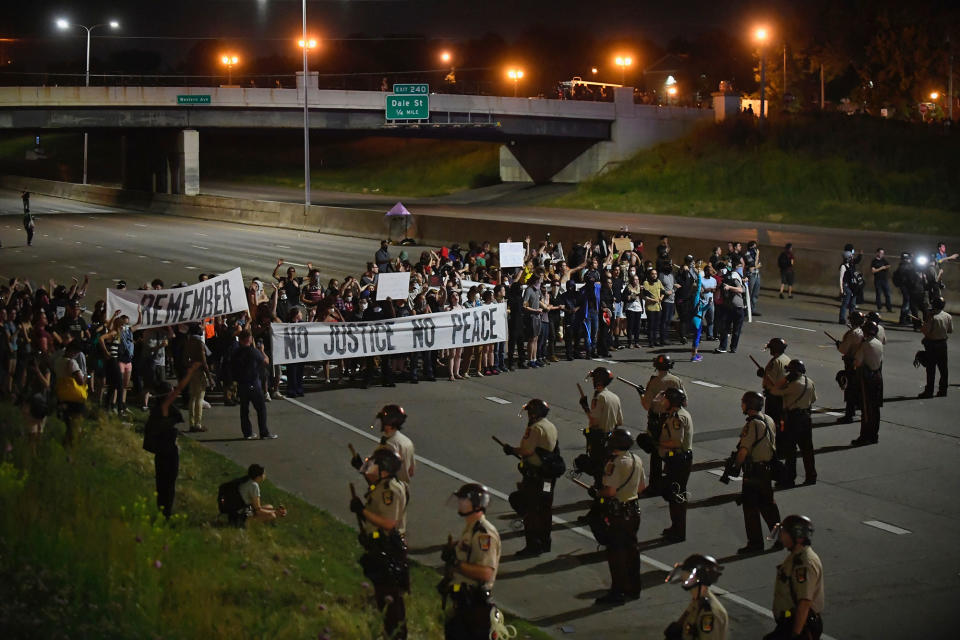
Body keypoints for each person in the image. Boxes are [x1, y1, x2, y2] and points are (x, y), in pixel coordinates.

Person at [350, 448, 409, 640]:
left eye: (375, 463)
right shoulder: (382, 485)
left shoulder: (389, 490)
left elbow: (389, 523)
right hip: (379, 547)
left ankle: (396, 636)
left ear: (384, 469)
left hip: (388, 549)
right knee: (382, 596)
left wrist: (362, 511)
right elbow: (370, 478)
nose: (371, 465)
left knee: (391, 599)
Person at [440, 483, 501, 640]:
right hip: (464, 603)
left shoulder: (483, 535)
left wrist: (456, 563)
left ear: (475, 504)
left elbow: (486, 573)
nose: (460, 503)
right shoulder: (471, 529)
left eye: (463, 500)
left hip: (474, 604)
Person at [592, 428, 645, 605]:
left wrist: (598, 492)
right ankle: (634, 587)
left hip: (619, 514)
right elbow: (641, 488)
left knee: (616, 554)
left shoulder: (615, 463)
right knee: (632, 551)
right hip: (633, 511)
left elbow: (610, 490)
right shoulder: (636, 459)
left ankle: (617, 592)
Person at [502, 398, 559, 556]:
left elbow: (527, 450)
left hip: (535, 476)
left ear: (534, 413)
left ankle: (533, 546)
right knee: (545, 508)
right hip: (548, 478)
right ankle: (545, 542)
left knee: (531, 509)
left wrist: (512, 450)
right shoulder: (551, 426)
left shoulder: (534, 428)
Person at [142, 365, 199, 517]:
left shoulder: (157, 410)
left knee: (161, 483)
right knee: (169, 484)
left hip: (160, 453)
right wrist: (190, 372)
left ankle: (163, 510)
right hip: (169, 452)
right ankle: (166, 512)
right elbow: (179, 389)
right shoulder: (164, 407)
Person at [734, 391, 782, 554]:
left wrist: (735, 466)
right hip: (767, 470)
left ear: (749, 405)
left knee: (750, 509)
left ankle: (755, 544)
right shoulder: (768, 419)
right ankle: (780, 538)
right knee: (769, 507)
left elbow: (744, 450)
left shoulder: (752, 424)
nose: (742, 405)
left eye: (744, 402)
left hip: (754, 472)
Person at [764, 515, 824, 640]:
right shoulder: (797, 556)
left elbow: (805, 602)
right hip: (790, 623)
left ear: (798, 537)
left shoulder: (804, 563)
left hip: (800, 626)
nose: (781, 536)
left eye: (784, 533)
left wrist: (795, 635)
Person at [638, 354, 683, 497]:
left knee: (656, 452)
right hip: (672, 420)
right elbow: (684, 402)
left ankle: (654, 486)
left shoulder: (654, 382)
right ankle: (670, 483)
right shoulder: (677, 381)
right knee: (671, 451)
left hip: (657, 422)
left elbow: (646, 405)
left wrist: (642, 394)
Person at [766, 360, 817, 486]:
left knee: (790, 450)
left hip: (794, 419)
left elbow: (774, 390)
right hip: (806, 417)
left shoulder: (793, 385)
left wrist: (785, 379)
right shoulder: (809, 382)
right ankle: (811, 476)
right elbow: (814, 399)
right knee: (807, 449)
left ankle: (789, 478)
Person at [664, 554, 729, 640]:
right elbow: (685, 618)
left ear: (699, 577)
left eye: (688, 573)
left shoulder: (709, 613)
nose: (683, 575)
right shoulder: (698, 599)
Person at [657, 387, 692, 542]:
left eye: (665, 399)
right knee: (674, 494)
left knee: (677, 495)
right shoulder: (678, 414)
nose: (663, 401)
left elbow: (676, 442)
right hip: (677, 459)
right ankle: (676, 527)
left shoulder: (676, 418)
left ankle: (679, 531)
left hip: (678, 459)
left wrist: (658, 443)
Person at [579, 367, 623, 484]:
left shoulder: (599, 398)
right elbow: (619, 422)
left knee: (596, 469)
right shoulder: (615, 397)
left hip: (599, 440)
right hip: (611, 439)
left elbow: (594, 421)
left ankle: (600, 494)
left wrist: (585, 407)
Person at [231, 330, 278, 440]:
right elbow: (266, 361)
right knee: (261, 409)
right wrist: (262, 351)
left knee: (244, 409)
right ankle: (264, 432)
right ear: (250, 339)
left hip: (242, 384)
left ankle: (247, 432)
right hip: (253, 383)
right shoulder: (254, 352)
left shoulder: (236, 352)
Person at [353, 404, 416, 484]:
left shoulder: (389, 445)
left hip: (386, 492)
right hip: (403, 491)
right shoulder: (407, 441)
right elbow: (411, 472)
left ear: (387, 422)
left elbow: (376, 476)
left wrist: (360, 466)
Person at [852, 320, 883, 446]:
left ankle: (864, 436)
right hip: (878, 376)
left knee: (866, 409)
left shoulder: (865, 345)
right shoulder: (879, 343)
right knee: (875, 409)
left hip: (867, 378)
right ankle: (874, 435)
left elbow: (857, 362)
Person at [918, 297, 952, 397]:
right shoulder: (948, 316)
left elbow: (925, 331)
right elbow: (950, 330)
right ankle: (943, 390)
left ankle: (929, 391)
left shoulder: (932, 317)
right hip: (943, 344)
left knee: (931, 369)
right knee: (943, 369)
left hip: (932, 345)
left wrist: (922, 324)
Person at [835, 311, 864, 423]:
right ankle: (860, 411)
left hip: (851, 363)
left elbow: (844, 349)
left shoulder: (852, 334)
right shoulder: (862, 331)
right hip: (860, 363)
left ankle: (849, 415)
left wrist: (839, 345)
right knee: (858, 389)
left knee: (850, 389)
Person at [714, 264, 745, 354]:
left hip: (738, 308)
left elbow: (741, 289)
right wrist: (718, 289)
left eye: (720, 271)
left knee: (736, 330)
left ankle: (733, 348)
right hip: (727, 307)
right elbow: (717, 297)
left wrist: (729, 287)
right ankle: (723, 347)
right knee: (724, 328)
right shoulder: (722, 281)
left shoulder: (733, 279)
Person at [838, 244, 863, 325]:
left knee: (852, 304)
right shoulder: (843, 266)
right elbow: (841, 278)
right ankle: (842, 319)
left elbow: (856, 262)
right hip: (846, 286)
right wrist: (841, 289)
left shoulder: (852, 265)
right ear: (848, 258)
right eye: (851, 256)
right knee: (845, 303)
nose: (852, 257)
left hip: (853, 286)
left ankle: (852, 319)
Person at [642, 268, 665, 347]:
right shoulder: (646, 282)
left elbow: (663, 291)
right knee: (651, 325)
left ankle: (655, 340)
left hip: (658, 307)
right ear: (649, 275)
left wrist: (661, 297)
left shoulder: (658, 282)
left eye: (655, 274)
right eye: (652, 274)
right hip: (650, 307)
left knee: (656, 325)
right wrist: (652, 300)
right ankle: (650, 341)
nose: (654, 275)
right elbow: (645, 295)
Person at [870, 248, 893, 313]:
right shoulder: (874, 261)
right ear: (877, 253)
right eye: (880, 253)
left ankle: (889, 308)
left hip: (884, 280)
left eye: (883, 253)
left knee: (887, 294)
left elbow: (888, 265)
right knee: (878, 294)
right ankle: (879, 307)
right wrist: (881, 268)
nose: (881, 254)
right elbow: (873, 271)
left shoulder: (884, 260)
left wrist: (886, 267)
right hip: (878, 280)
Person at [744, 240, 761, 315]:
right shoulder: (748, 254)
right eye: (754, 246)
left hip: (757, 275)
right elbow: (753, 265)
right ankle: (746, 309)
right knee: (749, 293)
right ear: (750, 246)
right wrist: (757, 255)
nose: (755, 248)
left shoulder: (754, 254)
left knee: (755, 293)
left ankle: (752, 309)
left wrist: (755, 266)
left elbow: (759, 264)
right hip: (751, 275)